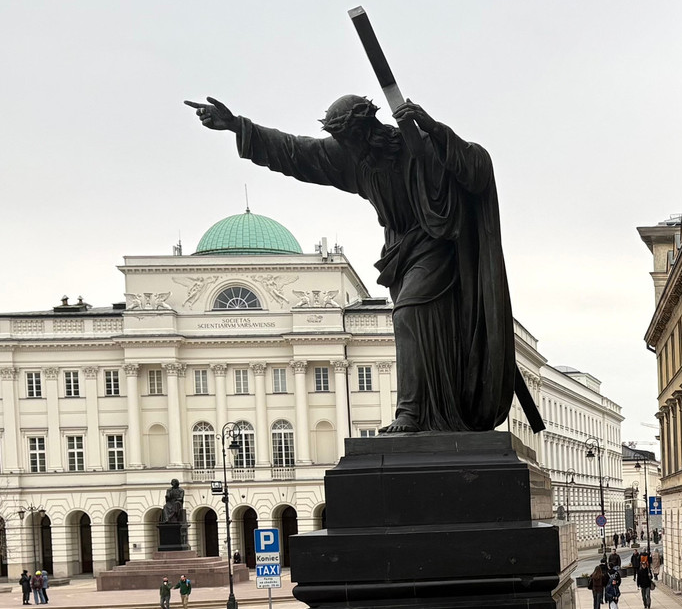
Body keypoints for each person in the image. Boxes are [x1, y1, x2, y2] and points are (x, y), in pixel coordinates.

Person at [185, 94, 520, 434]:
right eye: (340, 140)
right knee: (430, 326)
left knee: (409, 312)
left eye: (349, 138)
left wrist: (435, 130)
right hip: (402, 250)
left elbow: (477, 169)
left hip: (439, 245)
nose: (344, 146)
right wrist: (237, 126)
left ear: (366, 128)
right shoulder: (351, 157)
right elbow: (295, 152)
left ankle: (412, 412)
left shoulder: (418, 144)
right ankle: (438, 411)